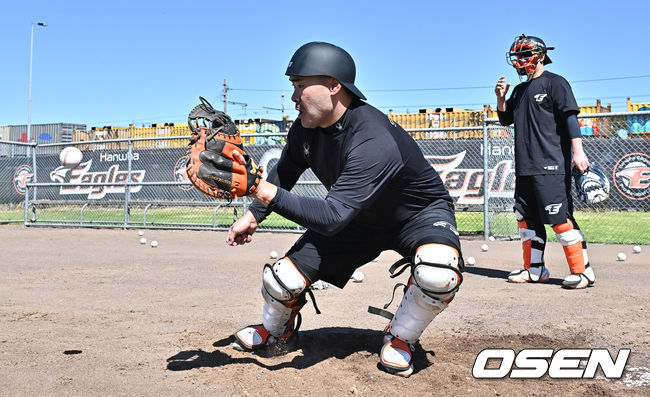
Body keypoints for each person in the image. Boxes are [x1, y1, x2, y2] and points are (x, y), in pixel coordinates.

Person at [226, 41, 463, 377]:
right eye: (293, 86)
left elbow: (332, 217)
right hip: (358, 219)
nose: (294, 97)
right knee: (281, 280)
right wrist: (252, 216)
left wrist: (257, 187)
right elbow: (286, 170)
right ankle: (278, 330)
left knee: (438, 271)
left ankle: (401, 337)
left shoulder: (373, 138)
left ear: (335, 86)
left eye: (301, 86)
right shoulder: (306, 128)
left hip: (417, 216)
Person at [494, 34, 595, 289]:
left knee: (560, 219)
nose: (520, 61)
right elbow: (506, 121)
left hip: (550, 165)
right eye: (516, 56)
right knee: (525, 218)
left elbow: (571, 120)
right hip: (525, 166)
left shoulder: (555, 83)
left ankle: (582, 272)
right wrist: (500, 98)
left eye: (524, 55)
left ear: (539, 56)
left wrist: (578, 152)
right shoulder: (519, 90)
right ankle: (535, 269)